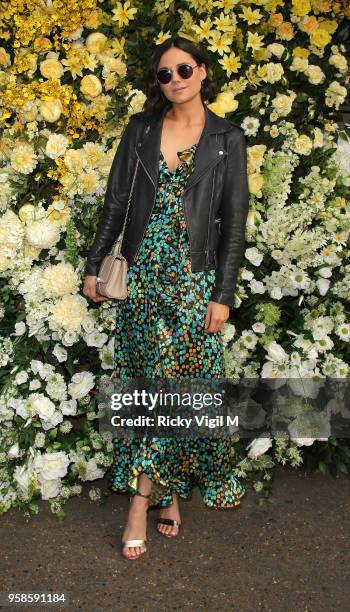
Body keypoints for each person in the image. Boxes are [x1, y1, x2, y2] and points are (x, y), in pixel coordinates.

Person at [83, 36, 249, 560]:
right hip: (144, 276)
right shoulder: (139, 132)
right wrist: (94, 264)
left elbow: (234, 225)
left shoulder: (228, 138)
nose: (174, 79)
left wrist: (223, 293)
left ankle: (140, 503)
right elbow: (115, 203)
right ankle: (169, 492)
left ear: (202, 71)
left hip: (192, 281)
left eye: (183, 69)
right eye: (163, 74)